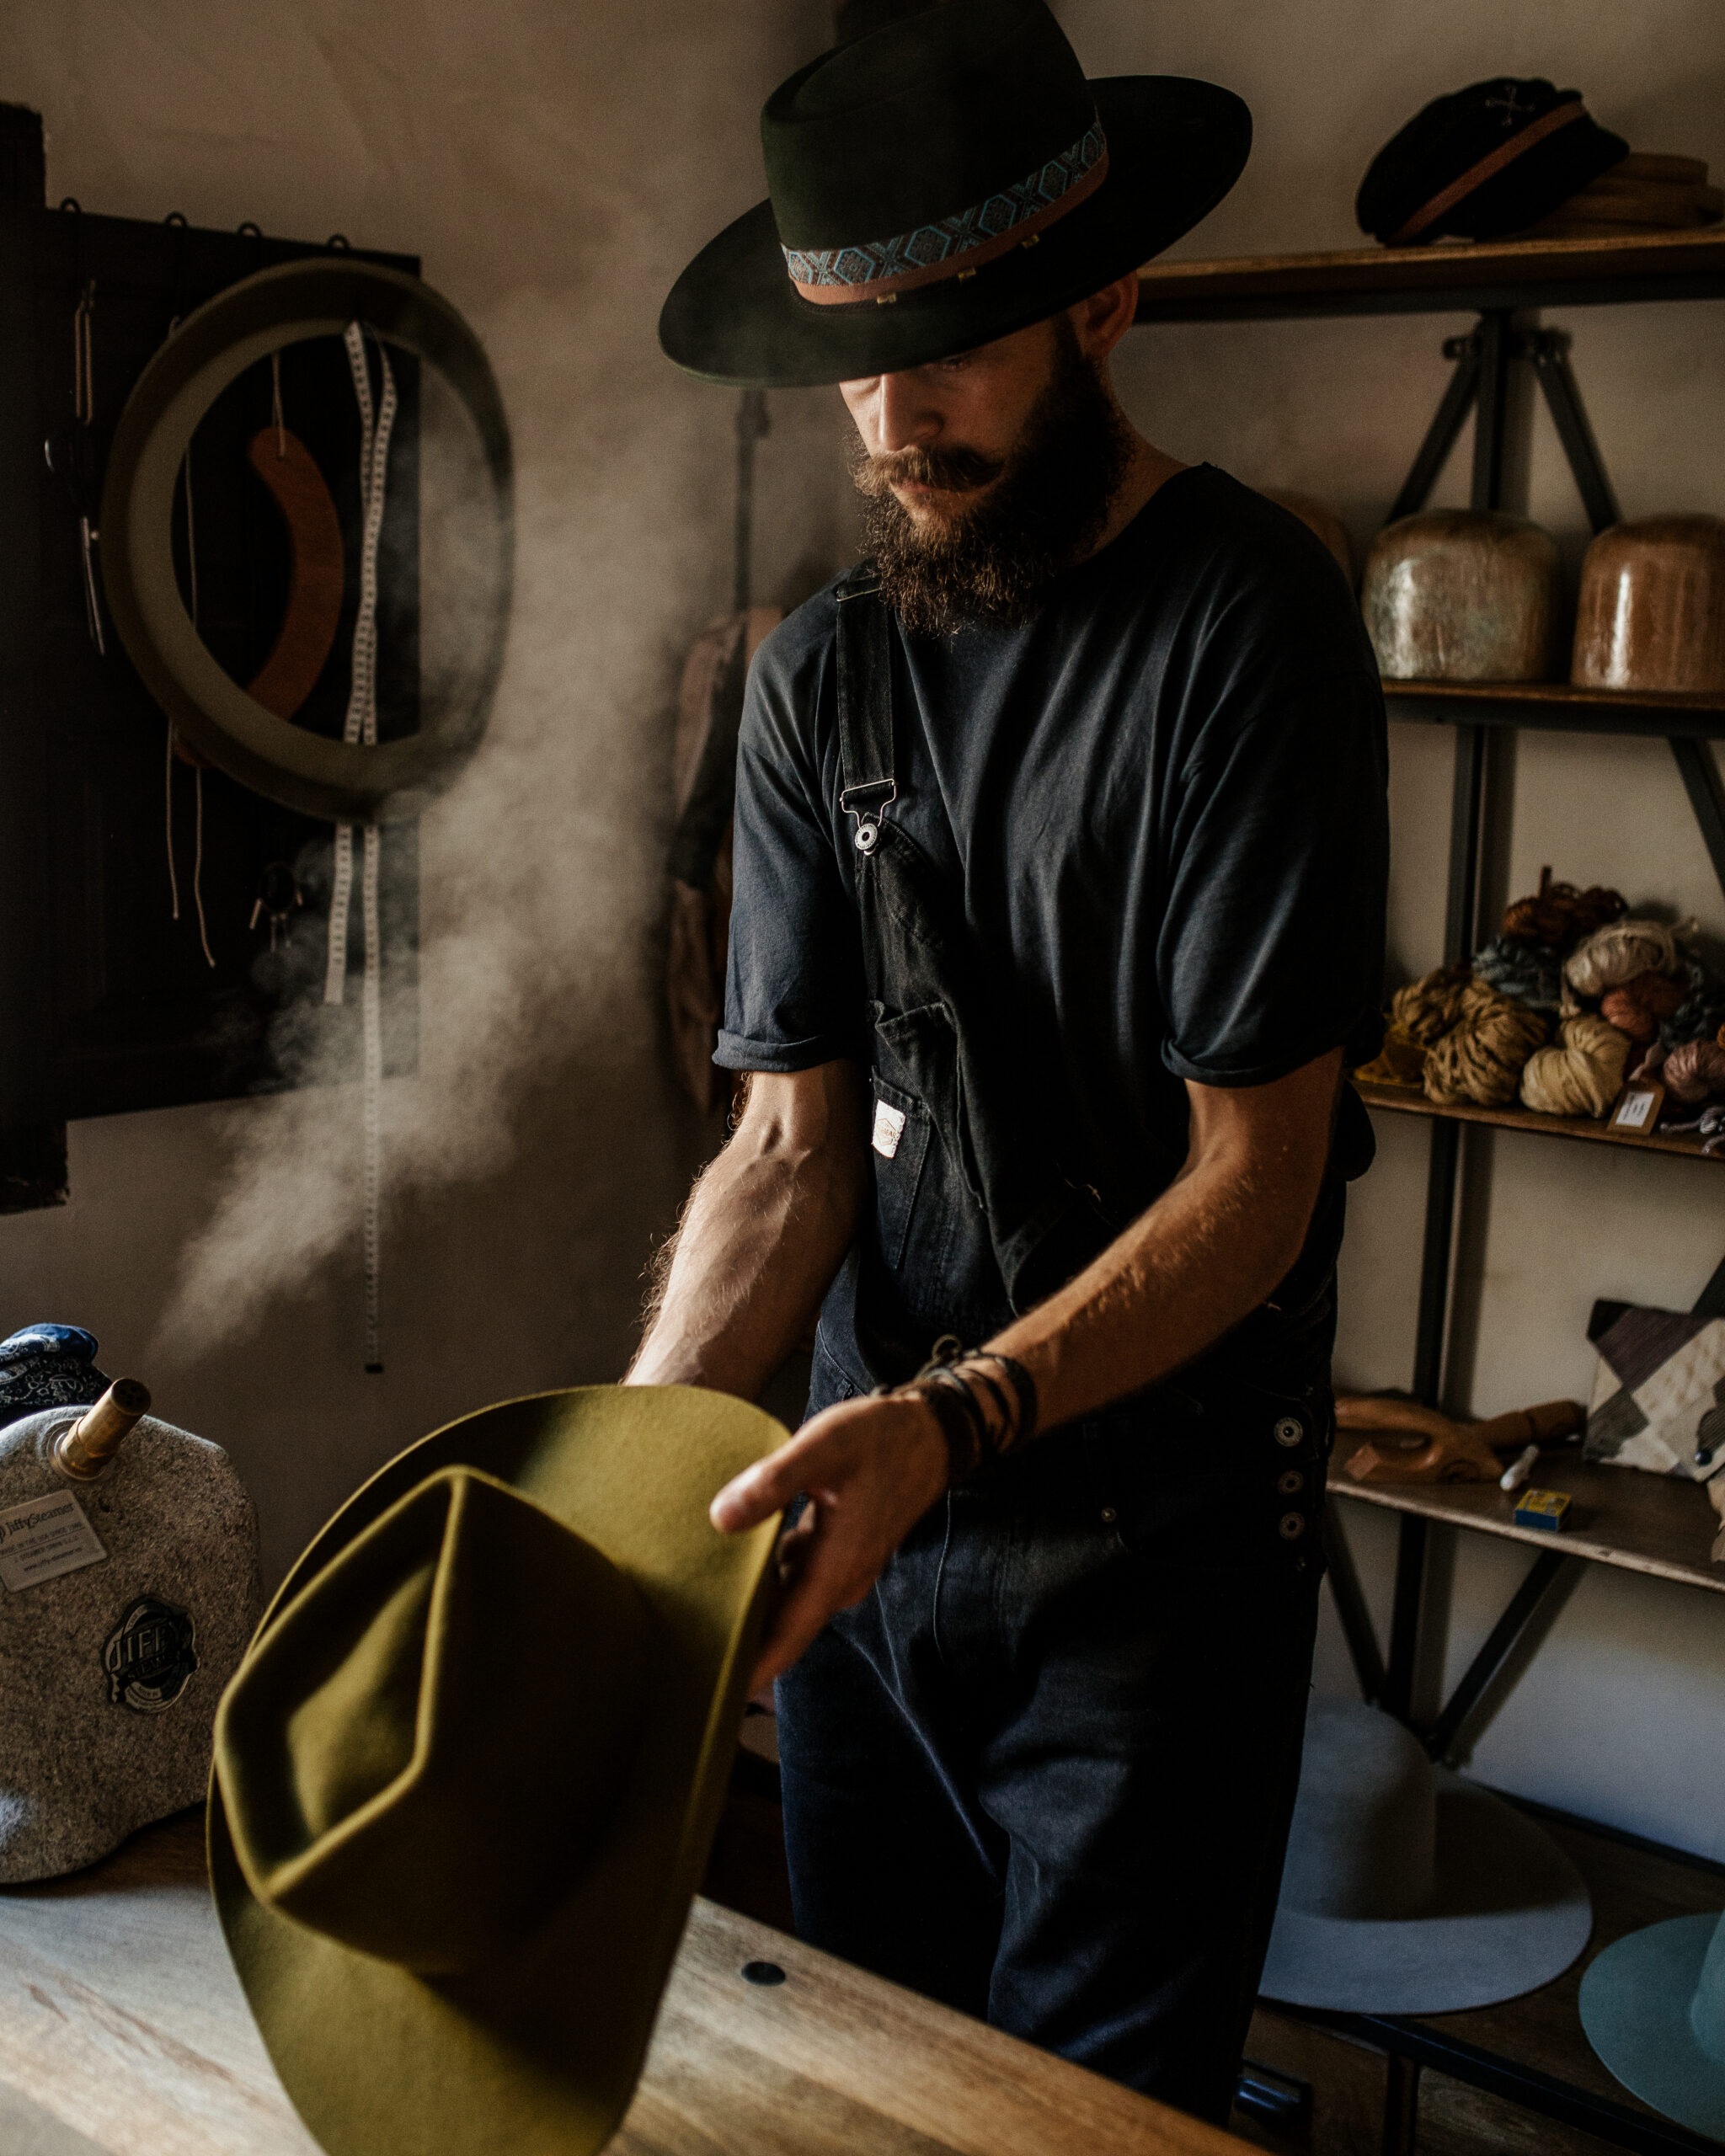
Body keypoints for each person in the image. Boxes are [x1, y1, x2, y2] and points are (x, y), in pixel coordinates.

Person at [634, 0, 1389, 2125]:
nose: (895, 415)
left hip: (1148, 1559)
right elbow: (789, 1152)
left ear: (1106, 303)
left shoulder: (1248, 622)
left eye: (953, 346)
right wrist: (606, 1495)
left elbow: (1257, 1175)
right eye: (858, 360)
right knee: (857, 2071)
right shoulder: (818, 671)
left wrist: (950, 1420)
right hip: (872, 1539)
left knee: (1073, 2114)